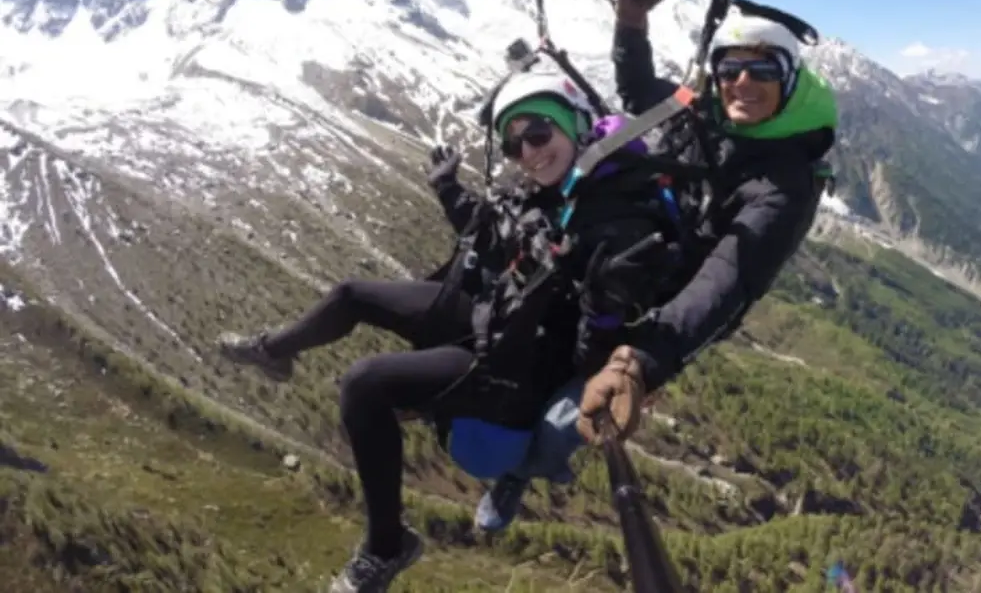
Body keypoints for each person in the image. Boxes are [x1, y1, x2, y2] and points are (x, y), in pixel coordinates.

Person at [216, 72, 681, 593]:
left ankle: (386, 548)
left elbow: (586, 355)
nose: (527, 153)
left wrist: (602, 303)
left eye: (539, 134)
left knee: (364, 383)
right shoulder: (557, 189)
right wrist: (448, 190)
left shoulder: (614, 225)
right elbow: (501, 236)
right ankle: (273, 352)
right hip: (499, 317)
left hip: (521, 368)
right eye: (514, 143)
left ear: (575, 123)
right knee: (351, 294)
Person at [473, 0, 838, 531]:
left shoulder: (784, 185)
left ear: (789, 78)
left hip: (673, 304)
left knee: (565, 417)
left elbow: (727, 279)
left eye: (762, 69)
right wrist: (631, 21)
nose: (742, 82)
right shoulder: (711, 112)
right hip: (634, 249)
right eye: (730, 68)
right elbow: (642, 90)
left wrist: (637, 361)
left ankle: (523, 471)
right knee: (536, 341)